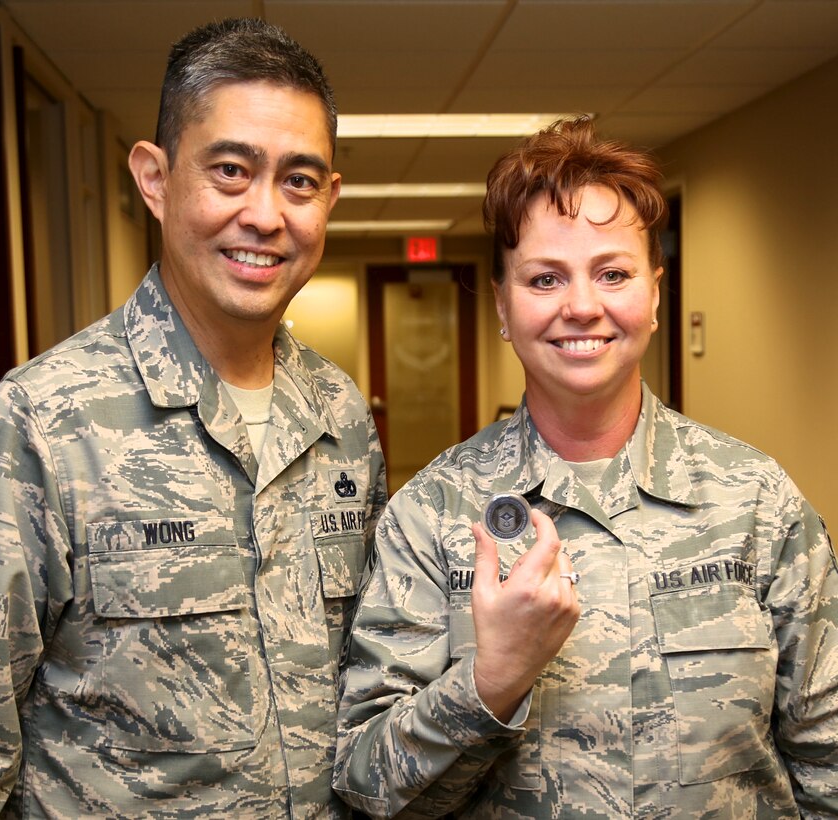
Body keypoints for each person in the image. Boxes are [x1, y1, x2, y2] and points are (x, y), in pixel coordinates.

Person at [0, 18, 386, 817]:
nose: (265, 214)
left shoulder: (341, 416)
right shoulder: (36, 428)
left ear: (330, 200)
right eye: (230, 171)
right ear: (155, 178)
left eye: (298, 181)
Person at [332, 116, 838, 817]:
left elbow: (825, 754)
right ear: (503, 305)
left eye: (613, 274)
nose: (581, 306)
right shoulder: (432, 514)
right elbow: (369, 785)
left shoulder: (754, 500)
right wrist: (491, 680)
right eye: (545, 279)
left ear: (654, 293)